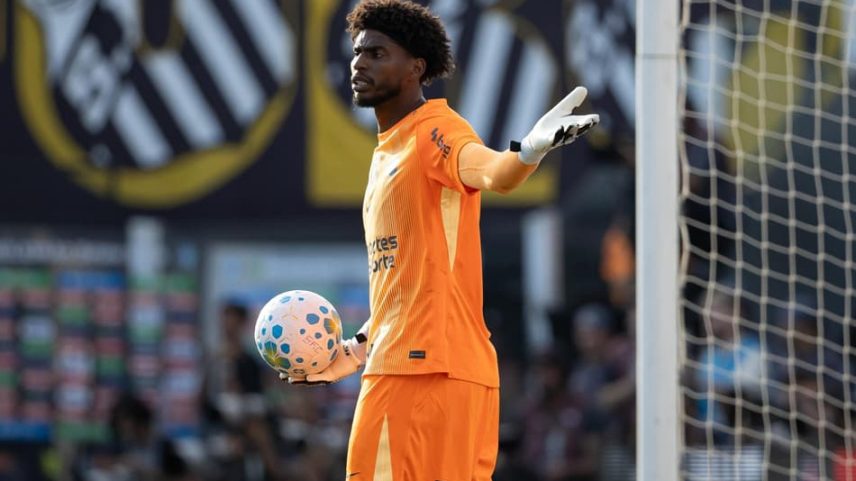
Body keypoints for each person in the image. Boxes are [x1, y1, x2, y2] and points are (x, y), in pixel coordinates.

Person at [282, 1, 599, 479]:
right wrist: (355, 350)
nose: (360, 63)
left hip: (421, 375)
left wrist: (527, 151)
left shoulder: (435, 131)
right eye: (357, 52)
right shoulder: (388, 151)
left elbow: (491, 171)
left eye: (377, 53)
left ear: (416, 68)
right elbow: (406, 288)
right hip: (447, 371)